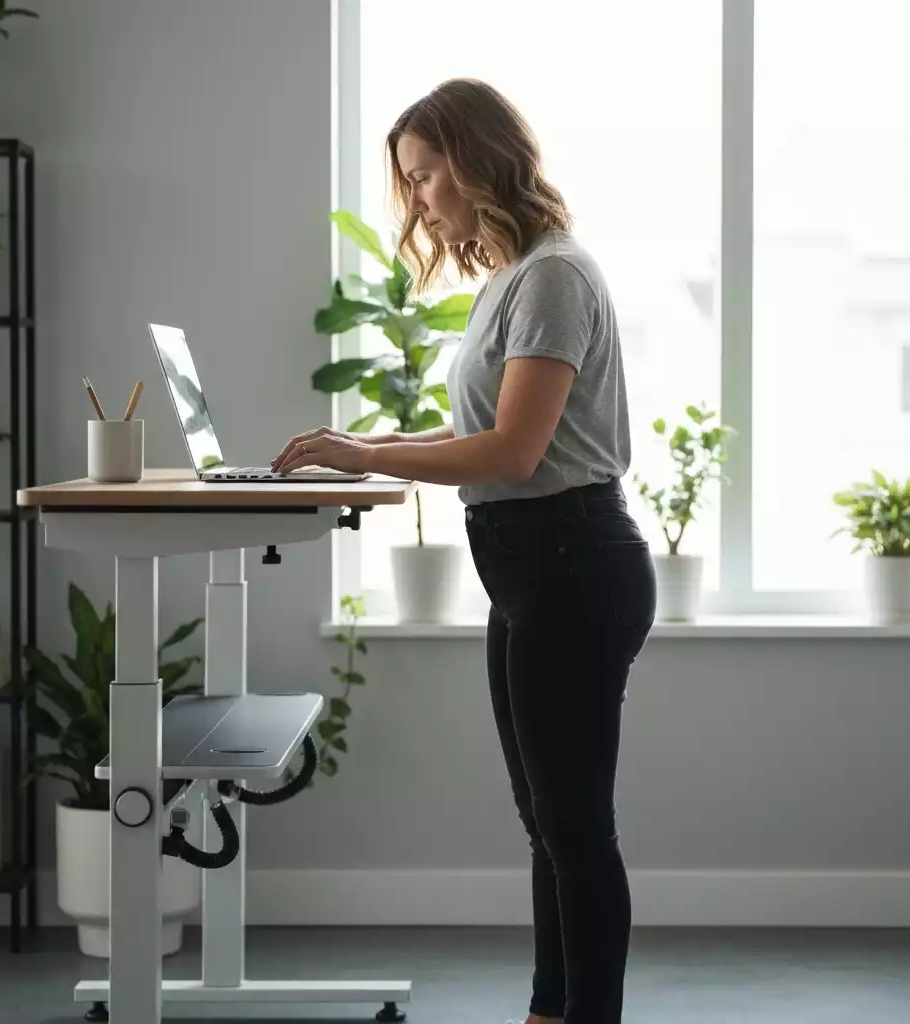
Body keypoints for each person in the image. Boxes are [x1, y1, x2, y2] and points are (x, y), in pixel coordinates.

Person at [272, 77, 657, 1024]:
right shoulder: (510, 280)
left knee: (574, 828)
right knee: (547, 825)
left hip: (573, 563)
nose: (421, 198)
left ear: (482, 160)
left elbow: (514, 452)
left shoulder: (555, 277)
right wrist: (360, 454)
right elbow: (484, 447)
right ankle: (547, 1011)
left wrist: (366, 454)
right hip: (532, 570)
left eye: (430, 172)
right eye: (412, 179)